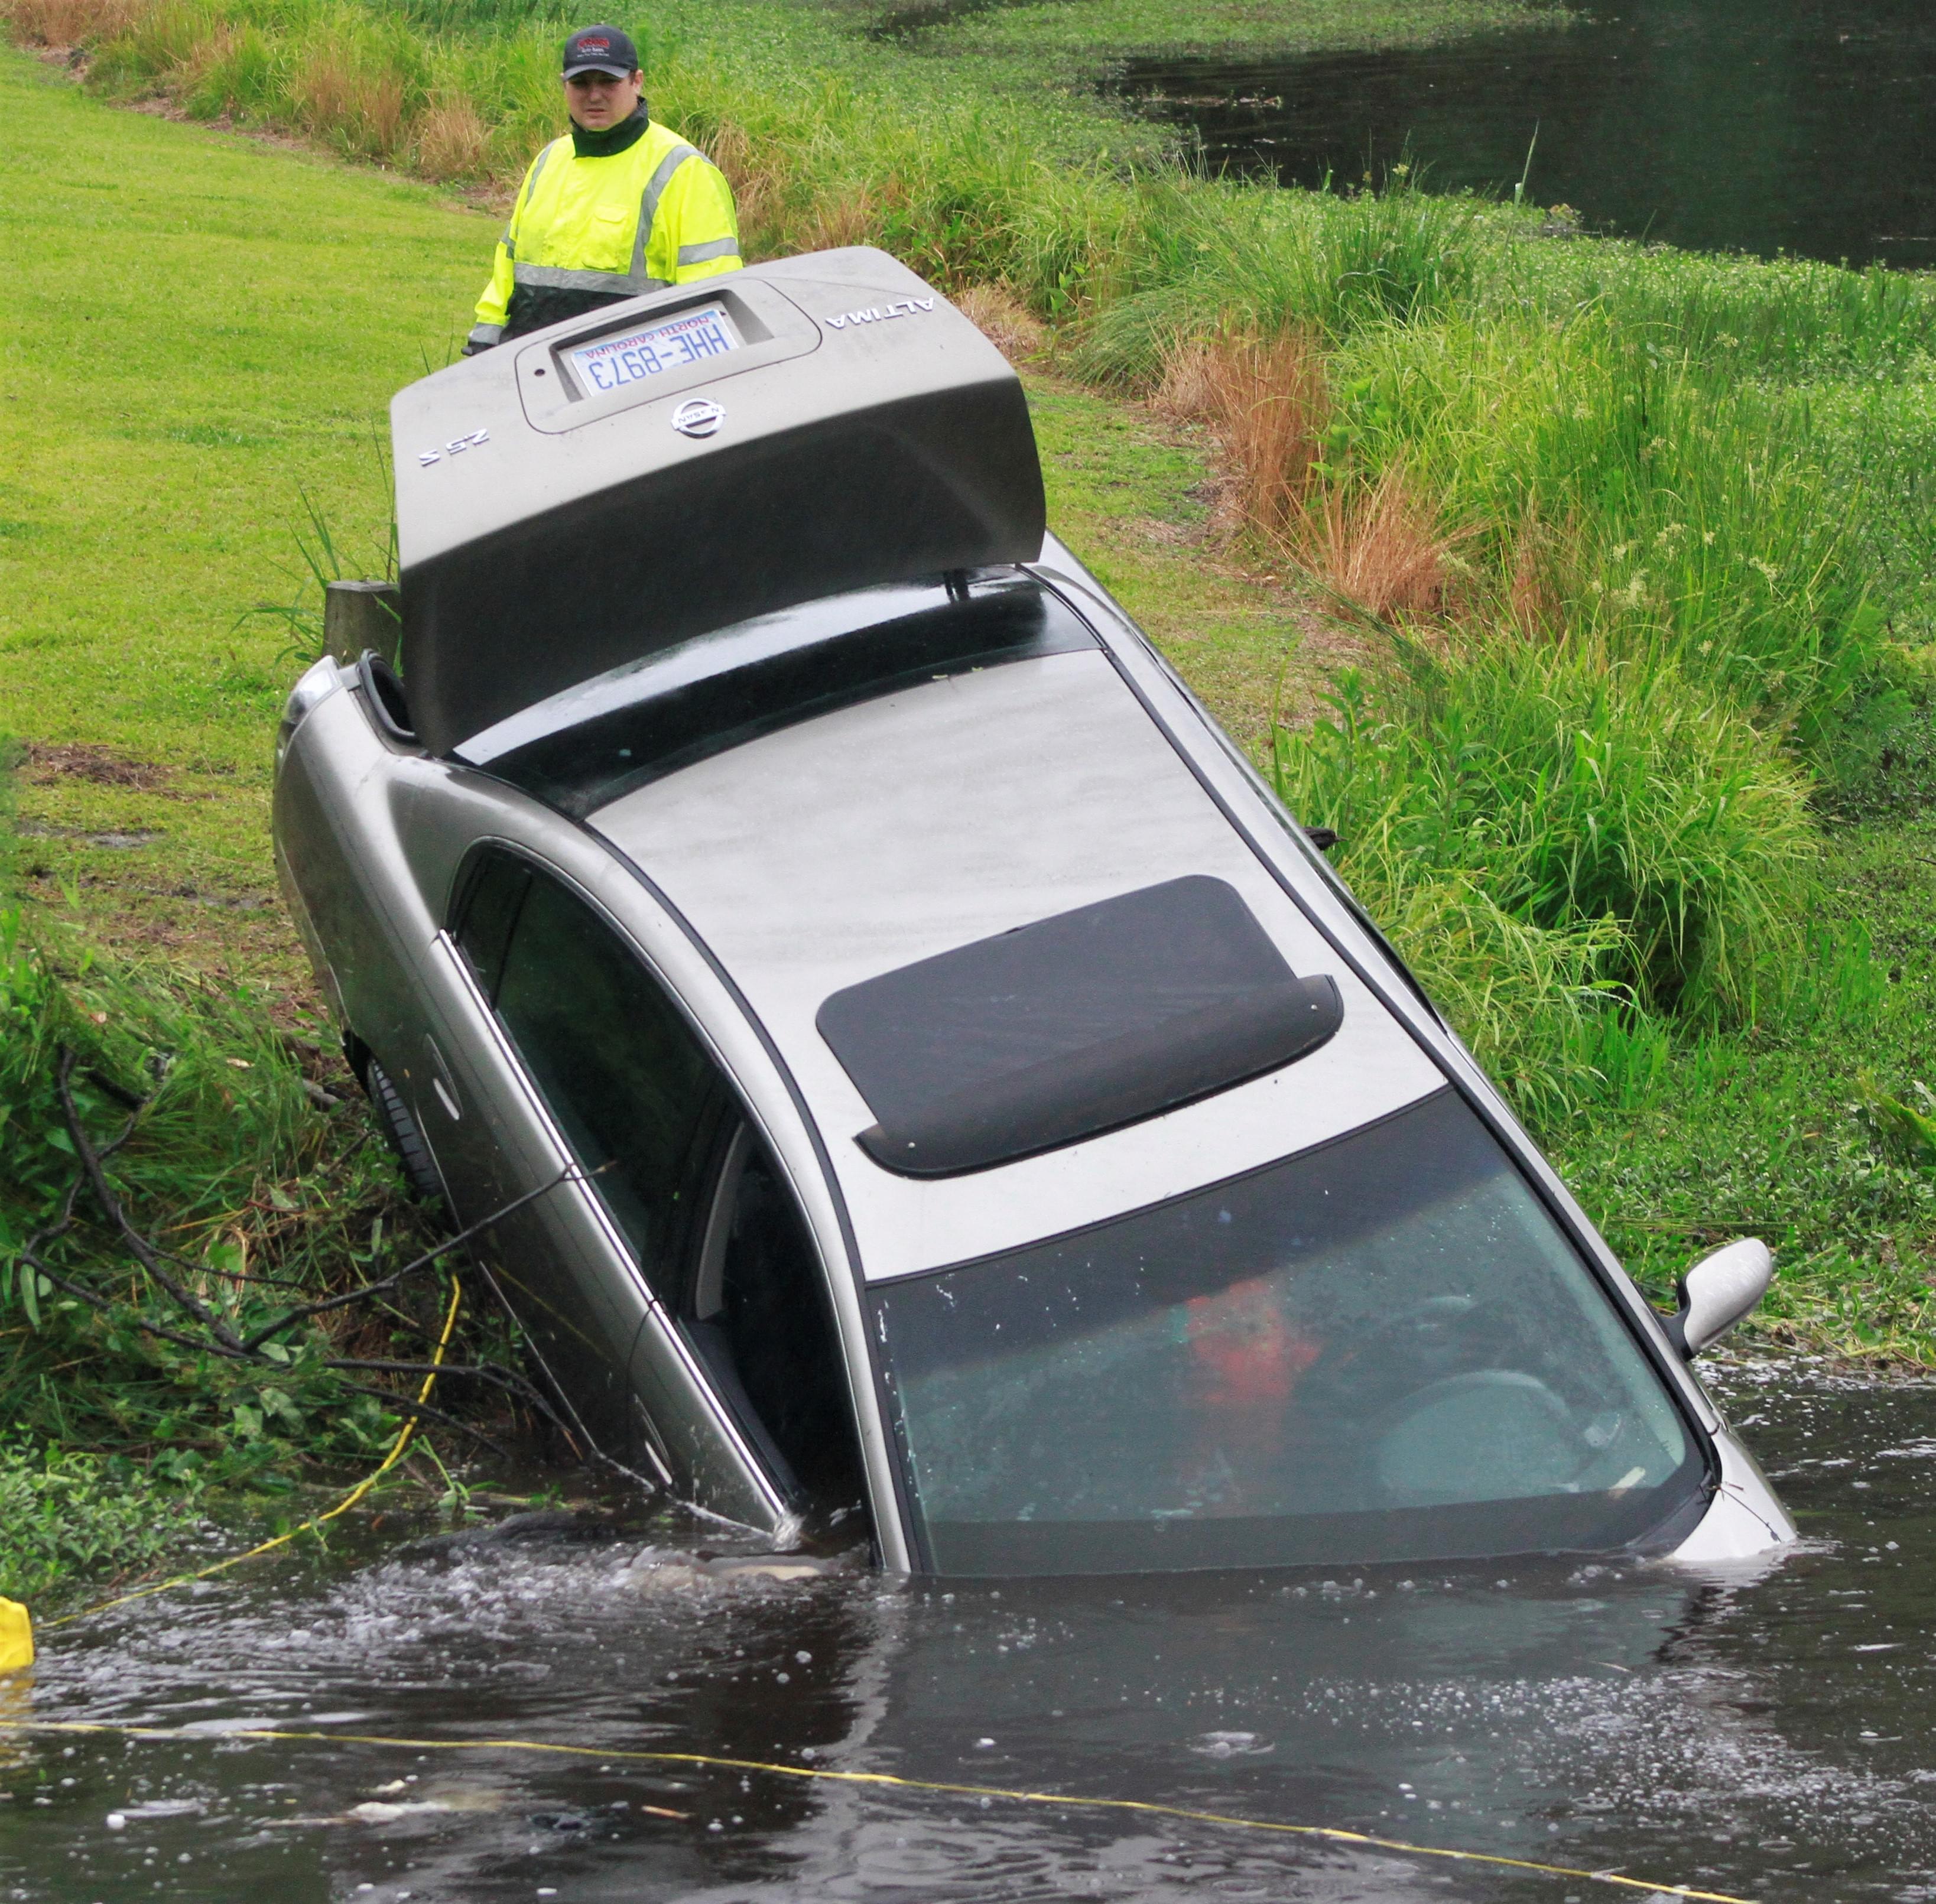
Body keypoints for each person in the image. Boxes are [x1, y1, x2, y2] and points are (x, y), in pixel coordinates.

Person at [464, 24, 740, 355]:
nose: (594, 95)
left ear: (636, 81)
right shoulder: (550, 158)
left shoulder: (682, 169)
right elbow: (509, 262)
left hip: (631, 371)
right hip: (533, 360)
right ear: (564, 84)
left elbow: (710, 290)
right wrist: (486, 335)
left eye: (609, 82)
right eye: (580, 83)